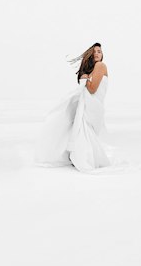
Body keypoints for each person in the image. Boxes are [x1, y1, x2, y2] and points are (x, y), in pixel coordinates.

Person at [34, 42, 112, 172]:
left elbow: (92, 89)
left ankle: (84, 158)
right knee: (84, 132)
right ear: (89, 55)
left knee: (84, 131)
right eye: (94, 52)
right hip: (92, 106)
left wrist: (85, 78)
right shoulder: (94, 69)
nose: (97, 53)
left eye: (99, 51)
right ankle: (84, 157)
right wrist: (85, 77)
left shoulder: (100, 65)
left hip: (93, 106)